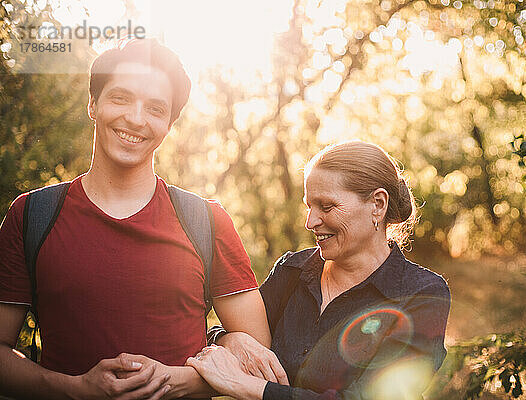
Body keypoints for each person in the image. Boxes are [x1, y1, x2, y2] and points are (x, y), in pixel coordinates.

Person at [0, 38, 270, 400]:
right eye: (121, 98)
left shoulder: (206, 220)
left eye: (156, 109)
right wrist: (76, 388)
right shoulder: (31, 215)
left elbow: (258, 355)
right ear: (93, 104)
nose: (136, 119)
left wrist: (175, 381)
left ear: (170, 124)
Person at [186, 140, 451, 400]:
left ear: (378, 204)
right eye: (308, 206)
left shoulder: (422, 294)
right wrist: (229, 340)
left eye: (327, 206)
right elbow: (223, 336)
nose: (310, 222)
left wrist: (248, 387)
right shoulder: (291, 271)